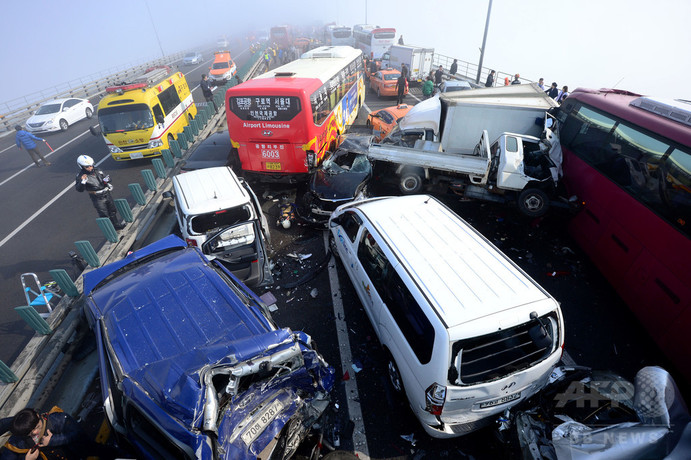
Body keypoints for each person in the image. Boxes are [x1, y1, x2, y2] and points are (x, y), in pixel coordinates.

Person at [0, 406, 111, 460]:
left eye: (37, 426)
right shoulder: (17, 442)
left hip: (79, 454)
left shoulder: (59, 419)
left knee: (105, 452)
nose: (35, 432)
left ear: (38, 416)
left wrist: (54, 440)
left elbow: (79, 434)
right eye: (29, 432)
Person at [75, 155, 126, 230]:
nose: (90, 168)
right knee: (104, 214)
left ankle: (116, 225)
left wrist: (107, 180)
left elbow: (107, 178)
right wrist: (83, 182)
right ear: (82, 167)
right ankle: (109, 230)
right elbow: (79, 189)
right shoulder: (81, 176)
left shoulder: (97, 170)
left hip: (106, 193)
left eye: (91, 166)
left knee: (112, 210)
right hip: (97, 197)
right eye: (87, 167)